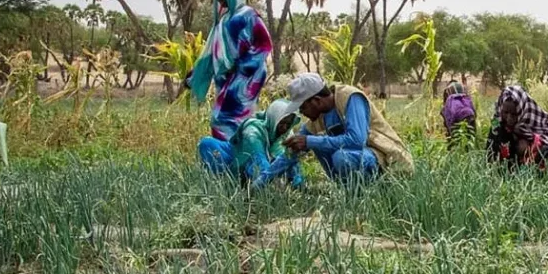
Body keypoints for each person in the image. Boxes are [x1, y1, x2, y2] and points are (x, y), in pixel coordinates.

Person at [191, 0, 273, 171]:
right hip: (226, 80)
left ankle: (246, 165)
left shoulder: (248, 15)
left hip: (245, 80)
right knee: (222, 119)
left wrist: (241, 67)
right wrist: (193, 77)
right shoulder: (223, 19)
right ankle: (231, 165)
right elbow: (213, 52)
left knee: (229, 119)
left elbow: (264, 45)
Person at [275, 72, 413, 183]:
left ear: (316, 100)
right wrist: (261, 181)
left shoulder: (351, 98)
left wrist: (310, 141)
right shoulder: (317, 120)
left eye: (302, 107)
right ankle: (350, 194)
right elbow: (289, 154)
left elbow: (357, 140)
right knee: (323, 146)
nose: (302, 113)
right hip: (360, 159)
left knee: (341, 157)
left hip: (385, 160)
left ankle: (372, 194)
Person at [198, 100, 304, 190]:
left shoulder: (286, 135)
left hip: (264, 172)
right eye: (282, 123)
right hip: (237, 159)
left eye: (288, 124)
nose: (284, 128)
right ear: (274, 119)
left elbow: (290, 160)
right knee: (207, 144)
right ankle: (226, 182)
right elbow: (258, 158)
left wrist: (297, 182)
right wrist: (266, 183)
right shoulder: (253, 131)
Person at [441, 80, 477, 147]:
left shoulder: (450, 99)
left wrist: (450, 131)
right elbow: (473, 111)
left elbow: (448, 117)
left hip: (456, 117)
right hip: (470, 115)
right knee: (470, 139)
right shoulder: (466, 97)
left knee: (455, 141)